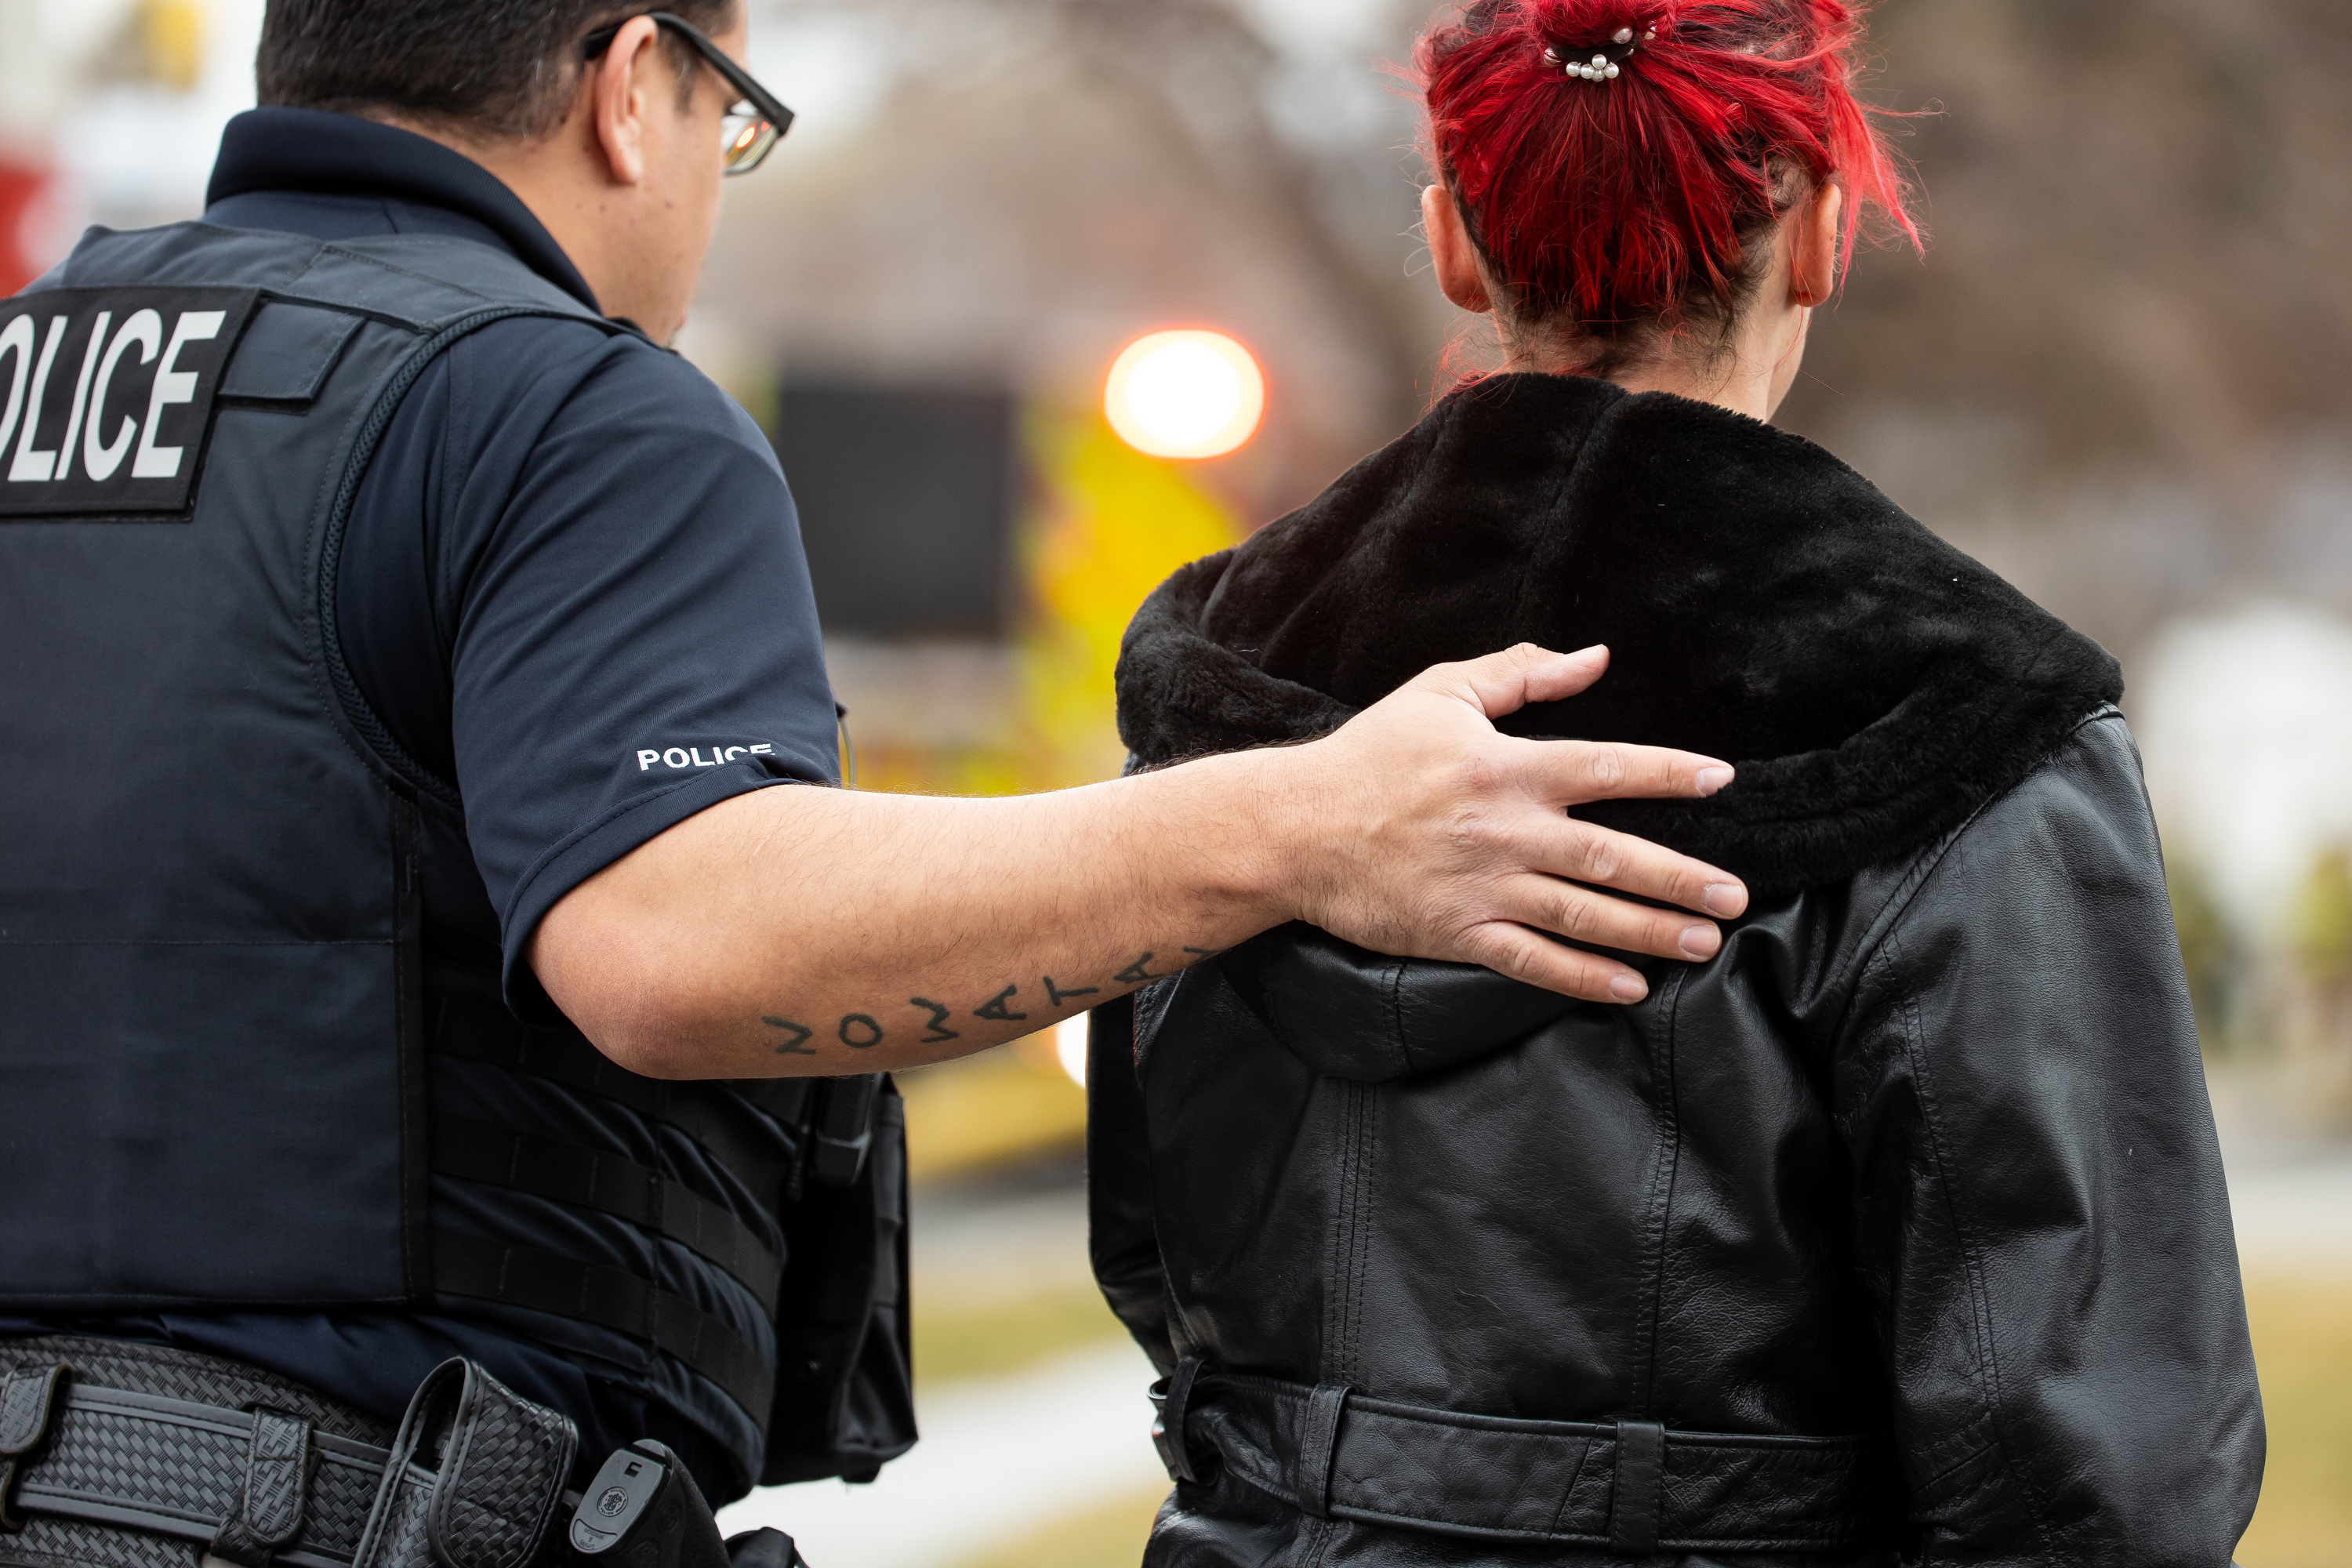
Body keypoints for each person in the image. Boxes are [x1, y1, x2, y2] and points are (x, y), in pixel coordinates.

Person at [0, 2, 1765, 1563]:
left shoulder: (32, 372)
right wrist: (1304, 824)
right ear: (633, 88)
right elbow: (680, 936)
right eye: (730, 121)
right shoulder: (557, 404)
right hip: (341, 1497)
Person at [1089, 1, 2264, 1564]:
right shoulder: (1965, 716)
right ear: (1826, 228)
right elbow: (2100, 1474)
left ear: (1451, 241)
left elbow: (1150, 1253)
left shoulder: (1219, 677)